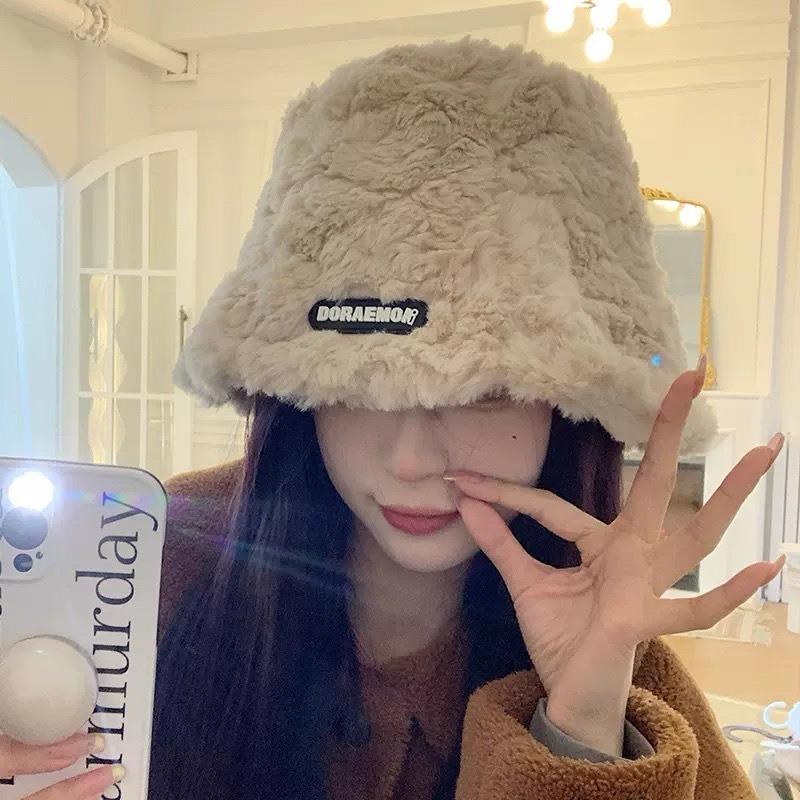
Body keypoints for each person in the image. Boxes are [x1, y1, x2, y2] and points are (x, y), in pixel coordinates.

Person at [6, 35, 781, 800]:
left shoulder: (617, 647)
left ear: (564, 406)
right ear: (298, 390)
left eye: (483, 392)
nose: (410, 461)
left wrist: (579, 733)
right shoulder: (149, 568)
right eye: (359, 386)